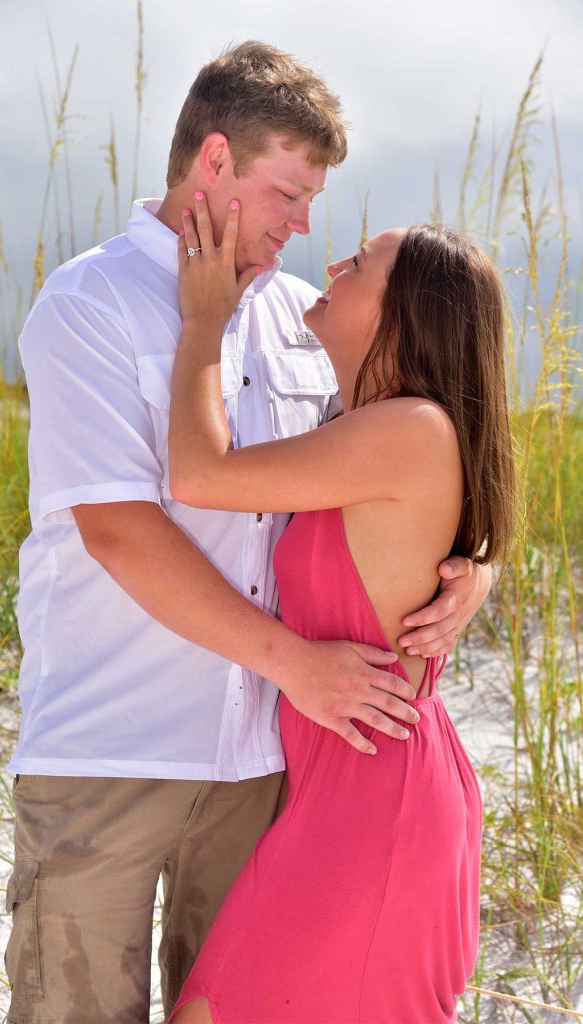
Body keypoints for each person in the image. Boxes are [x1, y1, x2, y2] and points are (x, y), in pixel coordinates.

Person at [4, 41, 492, 1024]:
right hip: (114, 751)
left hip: (261, 770)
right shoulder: (89, 302)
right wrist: (297, 664)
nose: (304, 227)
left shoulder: (295, 318)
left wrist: (470, 558)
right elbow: (119, 533)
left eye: (313, 204)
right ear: (215, 163)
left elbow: (400, 457)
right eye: (285, 194)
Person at [166, 202, 516, 1023]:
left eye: (358, 263)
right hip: (345, 789)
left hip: (376, 804)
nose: (329, 269)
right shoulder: (359, 424)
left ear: (404, 316)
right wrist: (481, 570)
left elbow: (198, 473)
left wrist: (203, 322)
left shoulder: (408, 429)